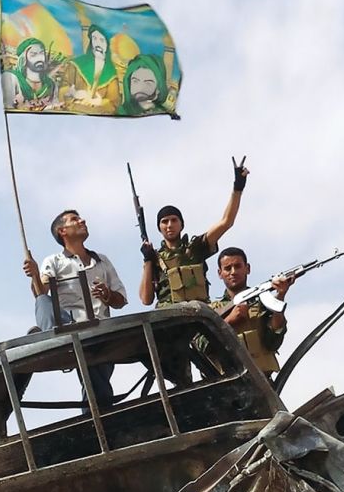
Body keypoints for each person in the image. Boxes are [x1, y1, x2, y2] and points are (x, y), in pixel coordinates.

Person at [23, 210, 127, 408]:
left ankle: (97, 427)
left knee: (98, 390)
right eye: (75, 219)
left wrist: (107, 295)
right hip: (69, 329)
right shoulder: (54, 262)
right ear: (62, 231)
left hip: (100, 331)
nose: (82, 221)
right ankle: (47, 334)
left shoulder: (101, 260)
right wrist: (35, 275)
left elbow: (120, 300)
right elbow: (41, 291)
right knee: (44, 302)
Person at [139, 157, 249, 307]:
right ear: (159, 228)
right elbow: (146, 300)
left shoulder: (195, 248)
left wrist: (238, 188)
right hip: (168, 320)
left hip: (199, 316)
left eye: (174, 220)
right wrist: (147, 261)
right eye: (164, 222)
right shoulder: (155, 258)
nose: (169, 225)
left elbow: (226, 222)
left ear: (182, 224)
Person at [214, 246, 294, 375]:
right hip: (229, 384)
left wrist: (280, 296)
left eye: (238, 266)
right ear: (220, 273)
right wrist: (229, 321)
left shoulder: (262, 303)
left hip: (262, 380)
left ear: (248, 268)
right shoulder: (213, 310)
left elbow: (273, 342)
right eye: (227, 268)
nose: (233, 272)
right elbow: (201, 345)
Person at [58, 25, 120, 115]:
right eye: (95, 39)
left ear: (107, 44)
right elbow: (63, 90)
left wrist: (99, 102)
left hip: (98, 117)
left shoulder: (111, 72)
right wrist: (75, 94)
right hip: (74, 113)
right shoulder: (75, 65)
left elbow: (114, 103)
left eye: (101, 40)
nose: (98, 44)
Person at [1, 38, 56, 111]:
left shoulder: (50, 84)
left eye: (42, 53)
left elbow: (55, 108)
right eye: (33, 54)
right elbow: (7, 109)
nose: (40, 58)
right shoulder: (11, 78)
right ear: (23, 58)